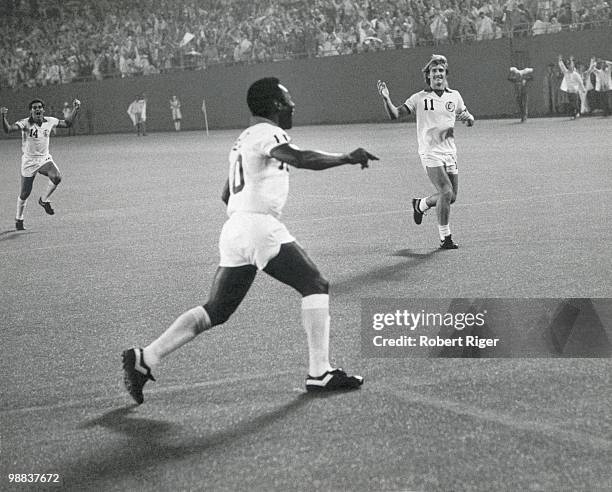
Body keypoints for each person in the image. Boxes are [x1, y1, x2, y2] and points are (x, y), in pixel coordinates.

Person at [122, 77, 378, 404]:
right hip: (258, 225)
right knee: (315, 284)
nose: (293, 105)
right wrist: (346, 157)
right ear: (274, 105)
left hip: (234, 228)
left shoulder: (243, 139)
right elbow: (299, 158)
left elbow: (226, 192)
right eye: (287, 99)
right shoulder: (268, 133)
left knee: (217, 309)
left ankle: (147, 357)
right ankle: (320, 372)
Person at [377, 54, 474, 250]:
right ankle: (445, 238)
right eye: (433, 71)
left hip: (449, 152)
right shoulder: (419, 98)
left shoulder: (454, 96)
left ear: (445, 74)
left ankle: (420, 205)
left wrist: (469, 118)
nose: (437, 74)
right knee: (446, 192)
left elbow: (468, 117)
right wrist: (387, 99)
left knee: (451, 197)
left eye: (440, 70)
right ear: (428, 76)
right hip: (430, 152)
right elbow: (395, 114)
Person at [1, 98, 80, 231]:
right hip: (29, 162)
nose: (37, 109)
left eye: (39, 107)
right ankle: (19, 219)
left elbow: (67, 123)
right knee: (25, 193)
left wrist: (75, 109)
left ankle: (44, 200)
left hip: (44, 159)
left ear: (43, 109)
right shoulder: (25, 123)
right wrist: (3, 116)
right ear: (31, 111)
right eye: (34, 108)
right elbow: (8, 129)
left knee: (57, 177)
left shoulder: (49, 121)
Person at [558, 55, 585, 119]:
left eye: (571, 66)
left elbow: (580, 82)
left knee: (574, 103)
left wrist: (583, 89)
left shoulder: (576, 74)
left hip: (574, 91)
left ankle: (575, 114)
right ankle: (575, 113)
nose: (570, 67)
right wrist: (560, 60)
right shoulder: (566, 72)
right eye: (569, 66)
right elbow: (562, 67)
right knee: (571, 103)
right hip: (569, 91)